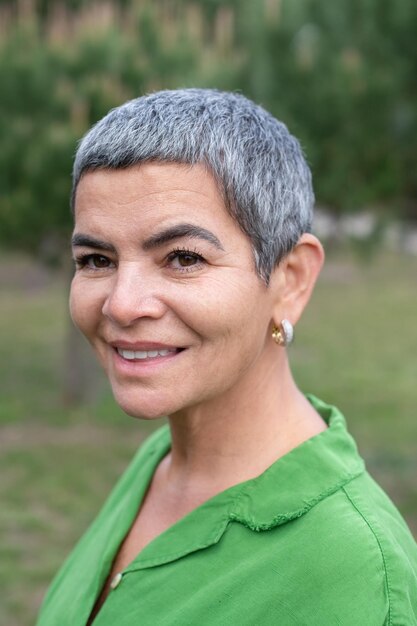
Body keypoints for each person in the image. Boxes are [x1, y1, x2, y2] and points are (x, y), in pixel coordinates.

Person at [36, 89, 417, 626]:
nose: (122, 304)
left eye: (182, 258)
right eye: (96, 259)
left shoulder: (355, 574)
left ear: (291, 280)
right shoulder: (160, 462)